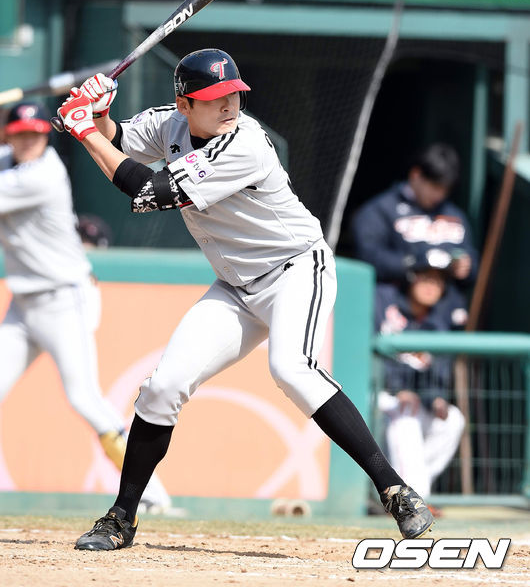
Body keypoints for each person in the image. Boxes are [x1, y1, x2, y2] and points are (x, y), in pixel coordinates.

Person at [57, 49, 435, 551]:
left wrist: (83, 130)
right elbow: (120, 140)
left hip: (295, 269)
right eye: (214, 98)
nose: (229, 105)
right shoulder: (169, 123)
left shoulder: (245, 143)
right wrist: (100, 116)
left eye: (234, 94)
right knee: (162, 387)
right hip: (236, 286)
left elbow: (148, 191)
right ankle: (120, 518)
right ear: (184, 104)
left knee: (291, 369)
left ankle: (396, 490)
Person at [0, 102, 171, 513]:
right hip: (24, 304)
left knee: (84, 397)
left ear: (45, 135)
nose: (29, 141)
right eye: (21, 134)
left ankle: (150, 493)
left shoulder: (43, 175)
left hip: (63, 300)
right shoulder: (9, 161)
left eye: (36, 133)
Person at [375, 253, 466, 505]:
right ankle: (414, 501)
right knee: (406, 412)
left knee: (453, 419)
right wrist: (398, 389)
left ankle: (402, 492)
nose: (431, 286)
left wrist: (435, 398)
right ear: (411, 279)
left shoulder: (439, 321)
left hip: (415, 402)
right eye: (426, 278)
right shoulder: (383, 301)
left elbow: (438, 372)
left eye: (438, 281)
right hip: (381, 397)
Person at [351, 143, 479, 292]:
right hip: (395, 300)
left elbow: (472, 263)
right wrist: (412, 262)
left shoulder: (454, 215)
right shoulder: (380, 210)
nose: (439, 195)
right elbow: (368, 258)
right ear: (416, 175)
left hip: (445, 302)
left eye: (445, 189)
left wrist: (465, 268)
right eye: (435, 186)